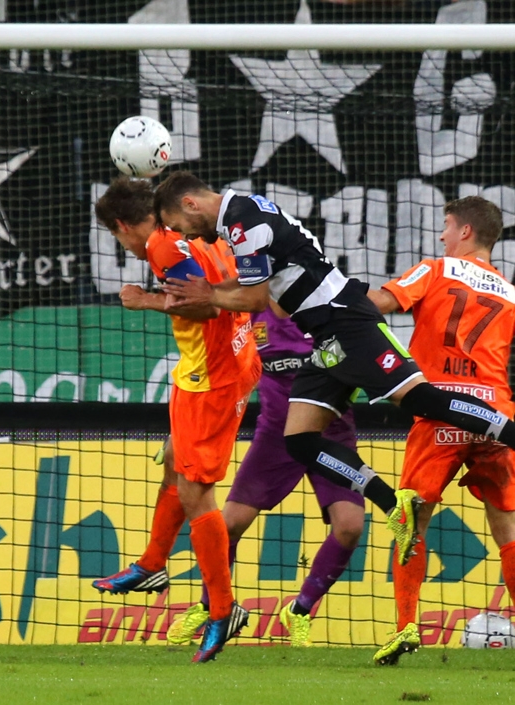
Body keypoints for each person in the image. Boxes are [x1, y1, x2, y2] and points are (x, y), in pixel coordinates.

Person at [153, 171, 515, 565]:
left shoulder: (242, 220)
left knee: (419, 398)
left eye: (180, 226)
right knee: (301, 439)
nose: (185, 235)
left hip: (346, 321)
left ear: (190, 204)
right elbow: (266, 289)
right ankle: (394, 504)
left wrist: (209, 293)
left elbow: (255, 300)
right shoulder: (240, 217)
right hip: (324, 336)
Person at [89, 177, 261, 662]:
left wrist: (143, 300)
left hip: (216, 375)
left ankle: (223, 610)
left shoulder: (163, 245)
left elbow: (205, 306)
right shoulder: (198, 233)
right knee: (171, 457)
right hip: (212, 365)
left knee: (194, 490)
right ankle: (152, 564)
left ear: (123, 226)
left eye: (118, 237)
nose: (124, 246)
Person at [368, 197, 515, 664]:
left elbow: (380, 304)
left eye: (447, 227)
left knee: (411, 519)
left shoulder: (436, 269)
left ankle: (407, 627)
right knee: (508, 526)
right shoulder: (509, 292)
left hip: (441, 411)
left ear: (467, 232)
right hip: (496, 413)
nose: (442, 236)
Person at [167, 306, 364, 648]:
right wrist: (182, 431)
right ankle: (211, 606)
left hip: (330, 432)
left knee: (349, 527)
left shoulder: (326, 312)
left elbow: (361, 366)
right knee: (226, 526)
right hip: (276, 436)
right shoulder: (248, 314)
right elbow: (219, 372)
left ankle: (299, 610)